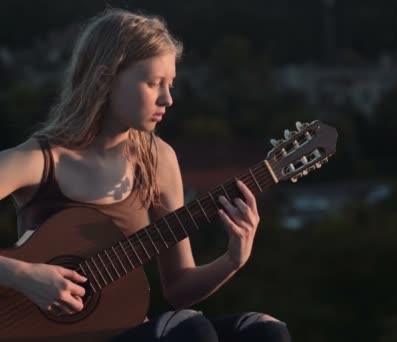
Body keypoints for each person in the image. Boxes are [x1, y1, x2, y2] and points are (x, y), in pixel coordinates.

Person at [0, 8, 291, 342]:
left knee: (264, 330)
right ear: (104, 79)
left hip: (126, 332)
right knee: (189, 330)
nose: (167, 99)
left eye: (170, 85)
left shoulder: (158, 161)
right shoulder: (38, 160)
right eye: (153, 83)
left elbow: (179, 287)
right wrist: (24, 275)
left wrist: (232, 259)